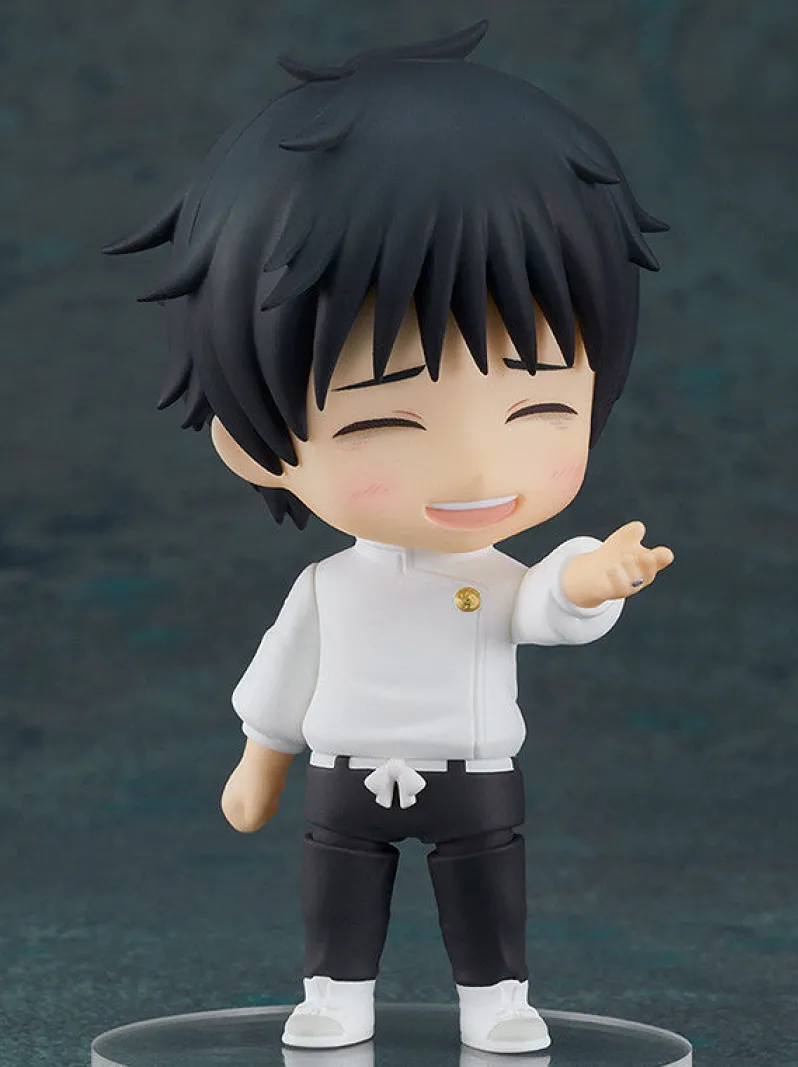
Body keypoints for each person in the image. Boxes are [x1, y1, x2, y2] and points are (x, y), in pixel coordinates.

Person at [105, 20, 673, 1054]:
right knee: (339, 889)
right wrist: (261, 761)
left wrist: (590, 578)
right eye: (388, 423)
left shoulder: (499, 574)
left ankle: (497, 998)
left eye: (539, 408)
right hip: (345, 772)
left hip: (474, 774)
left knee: (486, 889)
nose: (475, 468)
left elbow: (543, 603)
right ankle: (334, 993)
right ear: (250, 444)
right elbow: (280, 677)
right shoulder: (328, 587)